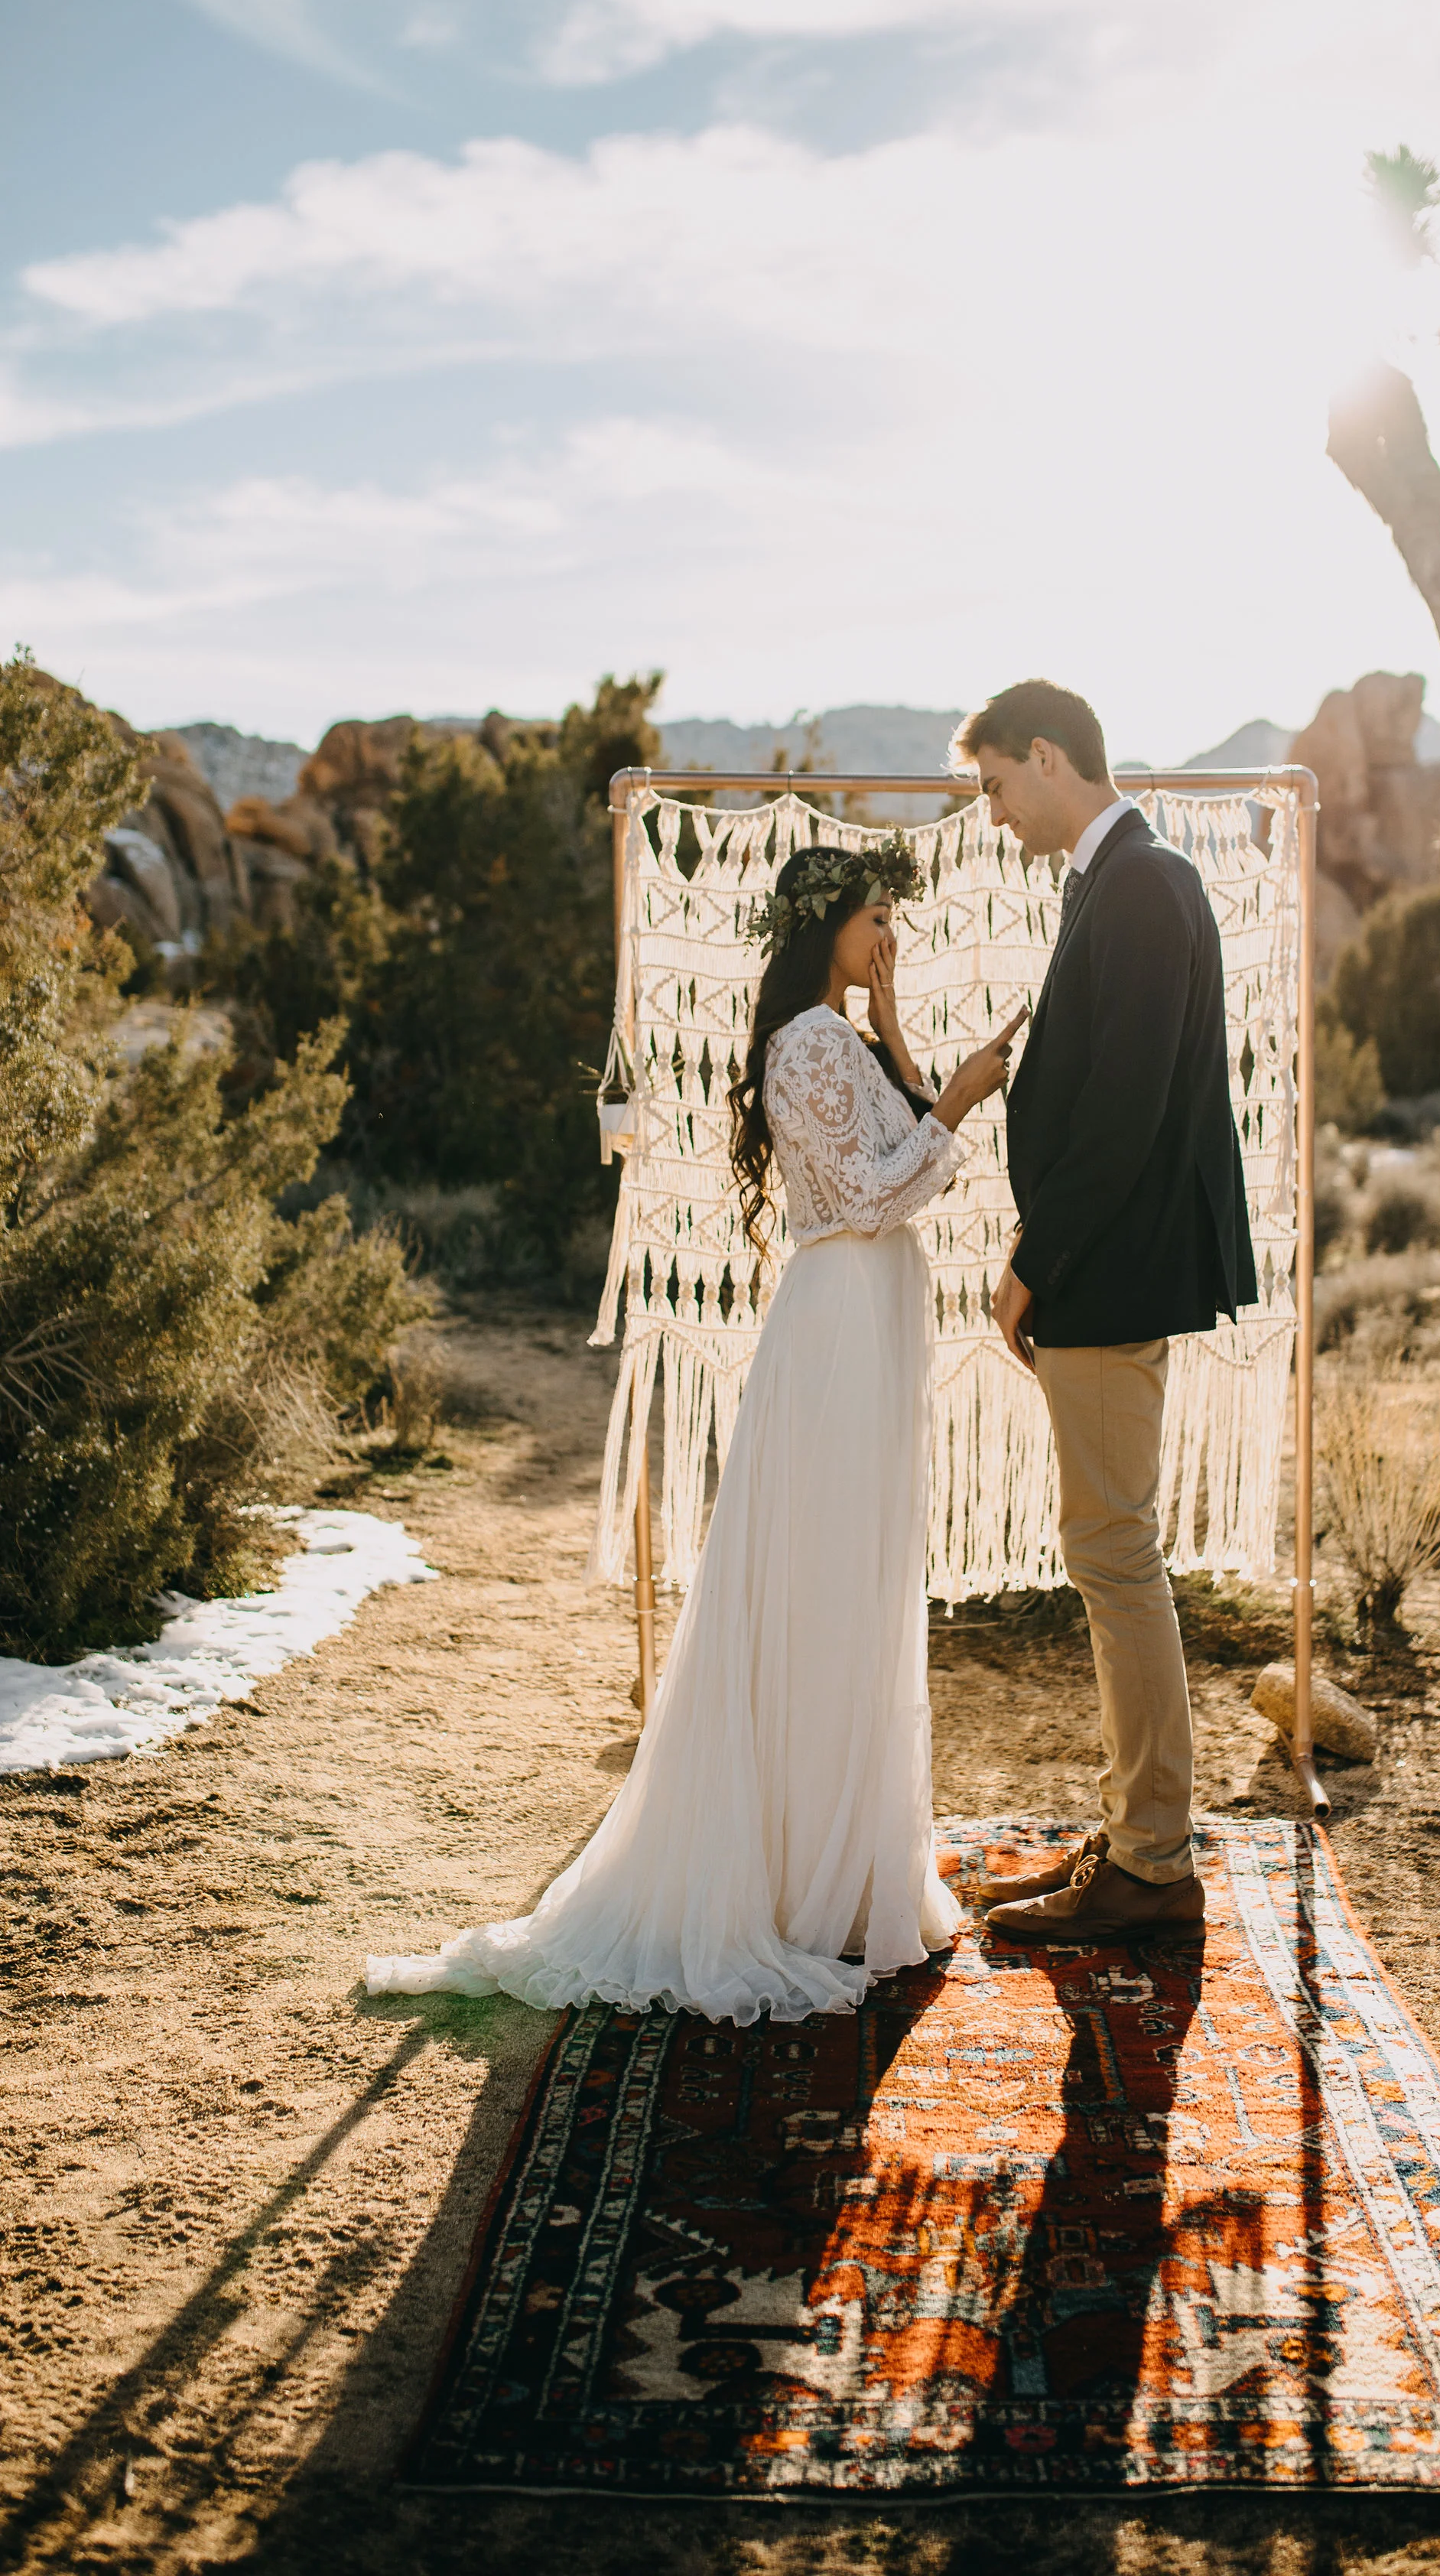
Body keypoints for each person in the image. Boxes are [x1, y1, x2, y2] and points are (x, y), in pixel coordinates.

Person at [366, 836, 1022, 2025]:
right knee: (819, 1585)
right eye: (879, 918)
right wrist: (966, 1098)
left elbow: (905, 1142)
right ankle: (790, 1879)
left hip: (866, 1329)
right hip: (834, 1333)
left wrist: (912, 1032)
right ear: (829, 923)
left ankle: (838, 1867)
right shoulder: (804, 1046)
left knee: (857, 1586)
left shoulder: (847, 1036)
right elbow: (876, 1196)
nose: (891, 935)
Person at [954, 679, 1258, 1943]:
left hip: (1108, 1269)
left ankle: (1150, 1864)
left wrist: (1035, 1258)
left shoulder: (1138, 882)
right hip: (1109, 1265)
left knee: (1116, 1560)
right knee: (1111, 1554)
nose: (992, 813)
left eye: (994, 786)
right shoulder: (1121, 877)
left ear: (1045, 756)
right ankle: (1140, 1834)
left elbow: (1126, 1111)